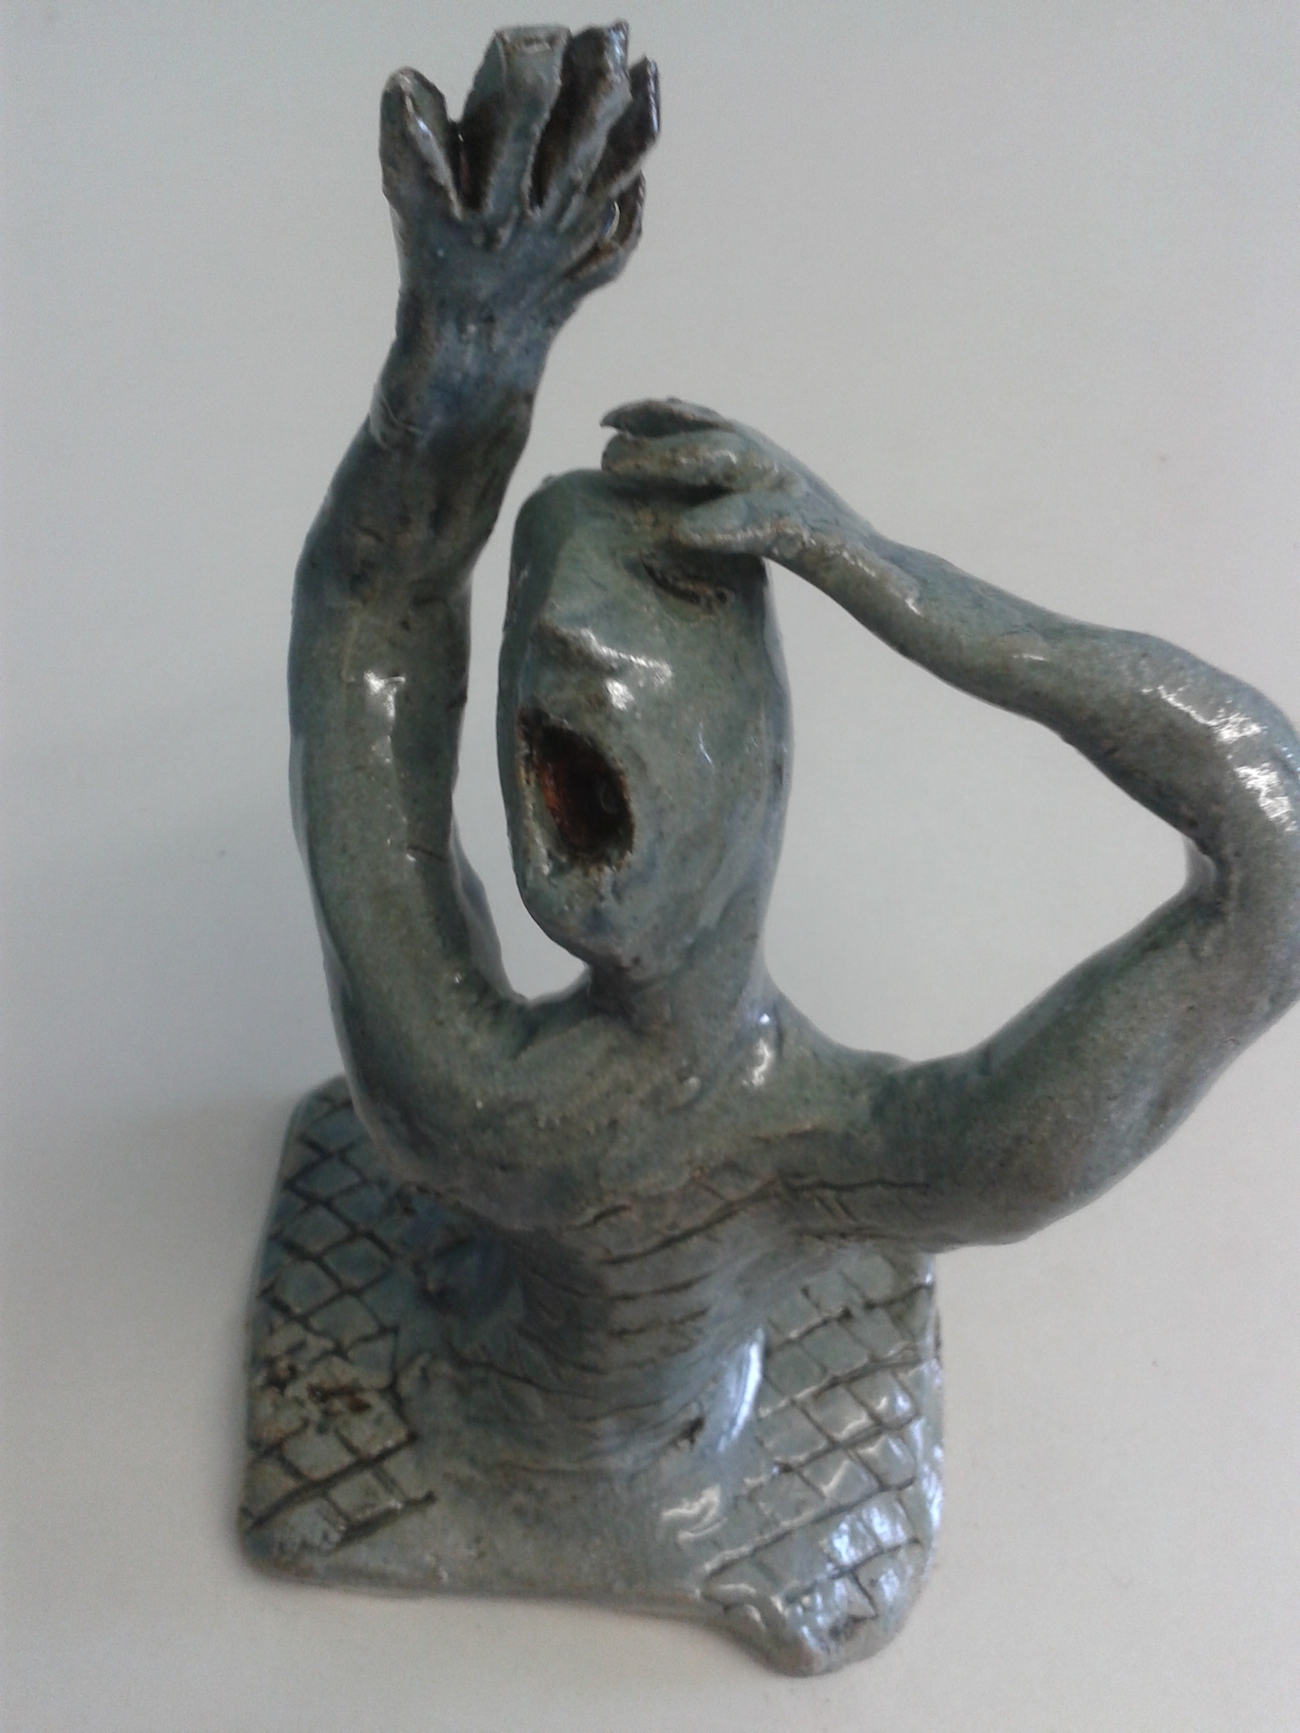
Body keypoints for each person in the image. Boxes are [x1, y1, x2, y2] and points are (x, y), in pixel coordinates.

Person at [277, 22, 1300, 1665]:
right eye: (550, 665)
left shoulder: (511, 1096)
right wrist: (880, 577)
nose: (563, 661)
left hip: (578, 1435)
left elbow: (372, 612)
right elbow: (1274, 856)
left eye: (629, 675)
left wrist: (469, 360)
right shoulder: (833, 1147)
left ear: (759, 773)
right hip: (506, 1424)